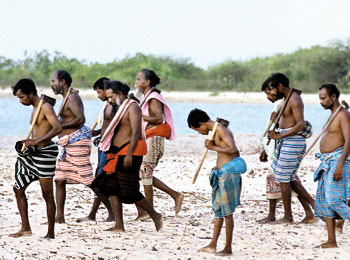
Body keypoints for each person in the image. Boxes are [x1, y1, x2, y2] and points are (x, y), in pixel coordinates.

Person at [91, 80, 163, 232]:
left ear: (119, 94)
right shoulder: (116, 108)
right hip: (115, 151)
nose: (109, 100)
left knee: (129, 190)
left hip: (130, 152)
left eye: (111, 97)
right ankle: (119, 225)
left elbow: (136, 131)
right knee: (111, 187)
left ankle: (155, 215)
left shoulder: (132, 107)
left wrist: (129, 154)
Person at [51, 70, 108, 223]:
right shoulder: (65, 98)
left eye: (54, 81)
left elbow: (80, 119)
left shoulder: (73, 97)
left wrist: (59, 125)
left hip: (76, 142)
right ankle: (59, 217)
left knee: (89, 180)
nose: (52, 85)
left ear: (62, 82)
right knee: (59, 179)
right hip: (66, 145)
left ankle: (113, 212)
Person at [187, 108, 246, 256]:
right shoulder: (215, 131)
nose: (199, 133)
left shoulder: (220, 129)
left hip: (229, 175)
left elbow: (233, 149)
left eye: (197, 129)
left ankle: (228, 248)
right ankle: (213, 244)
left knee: (227, 213)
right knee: (218, 211)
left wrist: (212, 147)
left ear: (201, 123)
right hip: (221, 175)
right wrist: (213, 144)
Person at [257, 79, 315, 224]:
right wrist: (276, 122)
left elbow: (300, 124)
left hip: (293, 141)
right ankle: (315, 208)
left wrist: (279, 135)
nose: (271, 92)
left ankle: (288, 216)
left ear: (280, 86)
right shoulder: (285, 100)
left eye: (272, 89)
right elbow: (288, 121)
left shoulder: (295, 99)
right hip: (285, 141)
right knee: (287, 178)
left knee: (284, 177)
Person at [10, 79, 62, 238]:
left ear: (31, 93)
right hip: (31, 154)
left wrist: (36, 141)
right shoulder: (35, 107)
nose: (20, 101)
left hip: (45, 153)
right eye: (18, 98)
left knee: (47, 194)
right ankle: (25, 227)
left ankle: (50, 233)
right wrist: (30, 143)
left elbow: (58, 128)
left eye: (22, 97)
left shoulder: (45, 107)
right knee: (18, 188)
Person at [134, 69, 184, 220]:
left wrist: (137, 113)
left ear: (147, 82)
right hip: (150, 137)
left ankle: (150, 211)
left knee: (145, 173)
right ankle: (175, 195)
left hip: (153, 137)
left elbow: (157, 118)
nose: (136, 82)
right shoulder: (147, 96)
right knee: (142, 173)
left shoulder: (153, 97)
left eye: (138, 79)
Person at [314, 83, 350, 248]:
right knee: (325, 201)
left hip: (337, 161)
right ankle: (331, 240)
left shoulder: (343, 115)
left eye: (323, 98)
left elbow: (349, 140)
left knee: (334, 200)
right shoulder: (333, 114)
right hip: (326, 161)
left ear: (333, 97)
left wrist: (340, 165)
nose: (321, 101)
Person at [76, 77, 115, 223]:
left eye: (99, 92)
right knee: (103, 181)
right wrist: (92, 133)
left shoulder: (112, 106)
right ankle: (93, 214)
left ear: (106, 90)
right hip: (103, 145)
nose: (98, 96)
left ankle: (103, 214)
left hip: (108, 147)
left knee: (99, 180)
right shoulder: (107, 106)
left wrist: (101, 136)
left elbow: (111, 128)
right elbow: (104, 127)